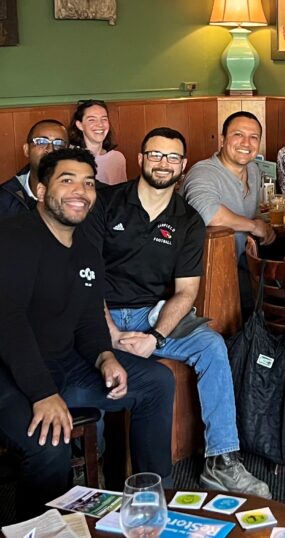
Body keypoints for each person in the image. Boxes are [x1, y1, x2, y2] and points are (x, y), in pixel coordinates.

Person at [80, 127, 270, 498]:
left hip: (152, 316)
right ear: (140, 159)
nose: (162, 163)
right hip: (97, 312)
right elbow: (87, 277)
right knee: (87, 362)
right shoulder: (105, 203)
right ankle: (93, 471)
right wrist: (110, 334)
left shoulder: (187, 220)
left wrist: (156, 338)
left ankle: (221, 462)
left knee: (212, 346)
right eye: (155, 155)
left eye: (171, 157)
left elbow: (186, 292)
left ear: (183, 165)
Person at [0, 148, 174, 520]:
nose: (80, 190)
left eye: (88, 183)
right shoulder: (13, 237)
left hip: (67, 364)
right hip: (10, 375)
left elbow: (88, 319)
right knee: (49, 442)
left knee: (157, 381)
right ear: (42, 191)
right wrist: (43, 392)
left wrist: (105, 356)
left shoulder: (87, 249)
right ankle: (44, 529)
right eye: (67, 180)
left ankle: (151, 500)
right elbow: (8, 321)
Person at [183, 111, 275, 309]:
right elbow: (208, 213)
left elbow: (255, 211)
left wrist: (256, 230)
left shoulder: (253, 170)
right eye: (238, 135)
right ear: (223, 139)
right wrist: (254, 226)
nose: (246, 143)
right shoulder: (203, 171)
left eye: (254, 137)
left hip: (241, 265)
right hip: (206, 276)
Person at [0, 119, 68, 219]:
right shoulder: (4, 197)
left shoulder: (81, 193)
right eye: (41, 141)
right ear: (26, 150)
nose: (50, 149)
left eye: (59, 143)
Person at [69, 99, 127, 184]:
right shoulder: (68, 157)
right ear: (80, 125)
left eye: (104, 119)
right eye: (92, 120)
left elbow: (122, 193)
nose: (100, 124)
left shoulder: (117, 158)